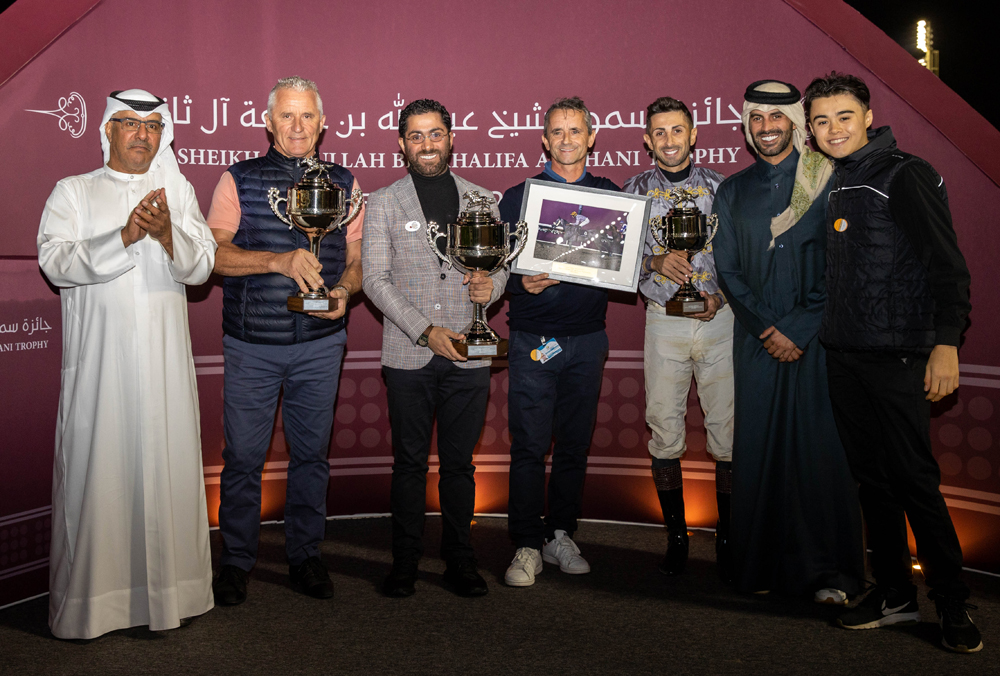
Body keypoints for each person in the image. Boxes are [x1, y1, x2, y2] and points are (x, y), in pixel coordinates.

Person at [805, 72, 981, 653]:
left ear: (868, 114)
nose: (833, 129)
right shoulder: (839, 180)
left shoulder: (904, 173)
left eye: (844, 117)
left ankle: (953, 605)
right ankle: (896, 597)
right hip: (846, 355)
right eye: (821, 120)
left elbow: (948, 267)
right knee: (873, 485)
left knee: (915, 484)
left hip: (900, 357)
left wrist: (946, 343)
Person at [37, 89, 216, 639]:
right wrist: (126, 235)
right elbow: (55, 260)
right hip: (101, 373)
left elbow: (203, 264)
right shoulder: (74, 191)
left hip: (162, 367)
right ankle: (96, 608)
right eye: (129, 124)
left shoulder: (177, 190)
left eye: (152, 126)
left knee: (165, 468)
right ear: (107, 131)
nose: (142, 135)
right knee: (101, 477)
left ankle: (172, 596)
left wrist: (166, 234)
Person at [207, 76, 364, 604]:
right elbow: (213, 255)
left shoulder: (346, 183)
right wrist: (276, 260)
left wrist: (344, 289)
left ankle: (305, 555)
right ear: (268, 122)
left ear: (323, 123)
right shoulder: (239, 180)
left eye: (307, 116)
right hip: (253, 344)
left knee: (311, 457)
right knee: (245, 458)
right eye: (287, 116)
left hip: (320, 344)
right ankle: (235, 560)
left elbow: (359, 259)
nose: (297, 127)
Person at [712, 80, 865, 601]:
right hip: (756, 340)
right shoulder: (732, 190)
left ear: (796, 124)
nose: (767, 128)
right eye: (757, 119)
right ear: (747, 126)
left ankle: (828, 575)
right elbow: (728, 271)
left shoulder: (830, 179)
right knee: (758, 453)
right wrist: (764, 328)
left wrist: (797, 327)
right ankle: (760, 572)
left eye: (777, 119)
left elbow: (843, 266)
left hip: (820, 340)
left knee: (819, 455)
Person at [362, 99, 504, 598]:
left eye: (435, 134)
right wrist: (426, 331)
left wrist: (494, 286)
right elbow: (375, 281)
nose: (427, 144)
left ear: (451, 138)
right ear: (402, 144)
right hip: (410, 354)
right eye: (416, 136)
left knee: (461, 466)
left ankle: (460, 560)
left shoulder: (484, 198)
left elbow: (498, 265)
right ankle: (404, 561)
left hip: (469, 350)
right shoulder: (381, 203)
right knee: (409, 464)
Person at [500, 97, 619, 587]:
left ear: (591, 137)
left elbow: (625, 266)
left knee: (573, 446)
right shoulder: (517, 197)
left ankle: (560, 533)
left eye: (577, 131)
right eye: (558, 131)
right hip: (533, 342)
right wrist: (517, 283)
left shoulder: (612, 198)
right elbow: (490, 268)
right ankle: (526, 542)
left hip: (588, 342)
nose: (567, 139)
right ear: (544, 140)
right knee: (529, 446)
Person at [622, 97, 734, 579]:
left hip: (718, 319)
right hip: (663, 318)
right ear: (648, 140)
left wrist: (721, 297)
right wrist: (653, 262)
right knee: (663, 428)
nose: (669, 140)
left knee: (727, 433)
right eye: (659, 133)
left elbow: (742, 257)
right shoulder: (633, 191)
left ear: (693, 134)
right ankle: (677, 536)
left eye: (677, 130)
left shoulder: (723, 189)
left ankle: (729, 538)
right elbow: (618, 259)